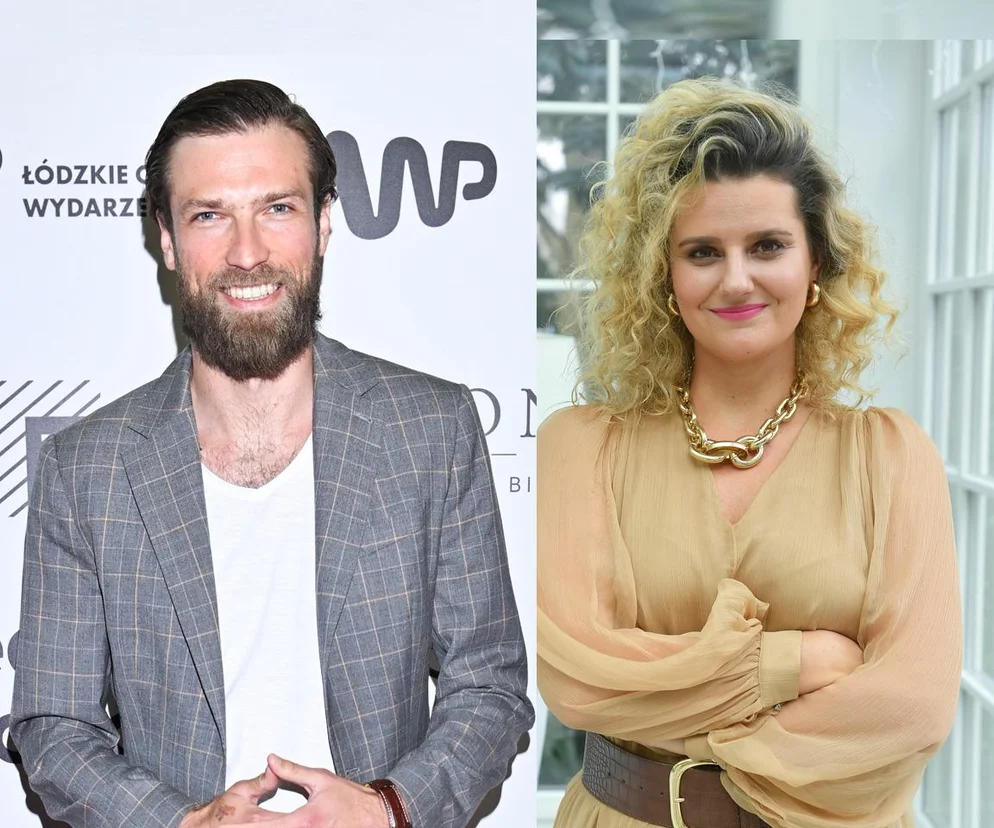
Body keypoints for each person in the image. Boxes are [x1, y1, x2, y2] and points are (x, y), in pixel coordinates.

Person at [10, 79, 533, 828]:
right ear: (166, 238)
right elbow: (54, 725)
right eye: (209, 215)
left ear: (323, 223)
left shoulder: (431, 429)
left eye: (277, 209)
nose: (247, 252)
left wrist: (389, 809)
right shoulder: (86, 468)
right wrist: (181, 823)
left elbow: (489, 685)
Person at [537, 78, 962, 828]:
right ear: (665, 276)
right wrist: (795, 664)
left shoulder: (891, 456)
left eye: (767, 245)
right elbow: (578, 683)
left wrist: (680, 714)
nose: (736, 280)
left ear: (817, 261)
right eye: (703, 252)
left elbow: (913, 709)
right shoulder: (581, 448)